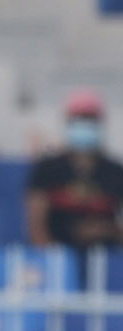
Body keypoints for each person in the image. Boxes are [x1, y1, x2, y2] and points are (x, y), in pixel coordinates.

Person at [27, 88, 123, 249]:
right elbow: (36, 223)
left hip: (105, 258)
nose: (85, 125)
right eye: (79, 119)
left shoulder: (115, 172)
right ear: (68, 122)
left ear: (101, 123)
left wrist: (106, 230)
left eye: (90, 119)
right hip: (59, 258)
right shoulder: (48, 169)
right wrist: (52, 259)